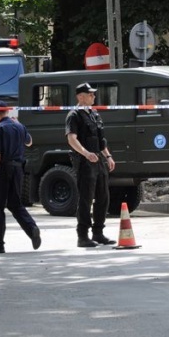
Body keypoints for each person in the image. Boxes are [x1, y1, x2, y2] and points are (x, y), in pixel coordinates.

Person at [0, 100, 42, 254]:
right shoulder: (19, 126)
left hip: (2, 171)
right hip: (18, 170)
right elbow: (29, 142)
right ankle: (32, 228)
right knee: (15, 204)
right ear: (7, 112)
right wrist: (20, 126)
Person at [66, 82, 116, 247]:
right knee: (86, 198)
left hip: (99, 160)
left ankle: (98, 232)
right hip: (85, 161)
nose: (93, 96)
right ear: (80, 97)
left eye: (93, 94)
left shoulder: (94, 114)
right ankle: (83, 236)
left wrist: (107, 156)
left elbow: (101, 140)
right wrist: (86, 153)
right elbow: (72, 139)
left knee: (103, 197)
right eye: (90, 94)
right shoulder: (74, 115)